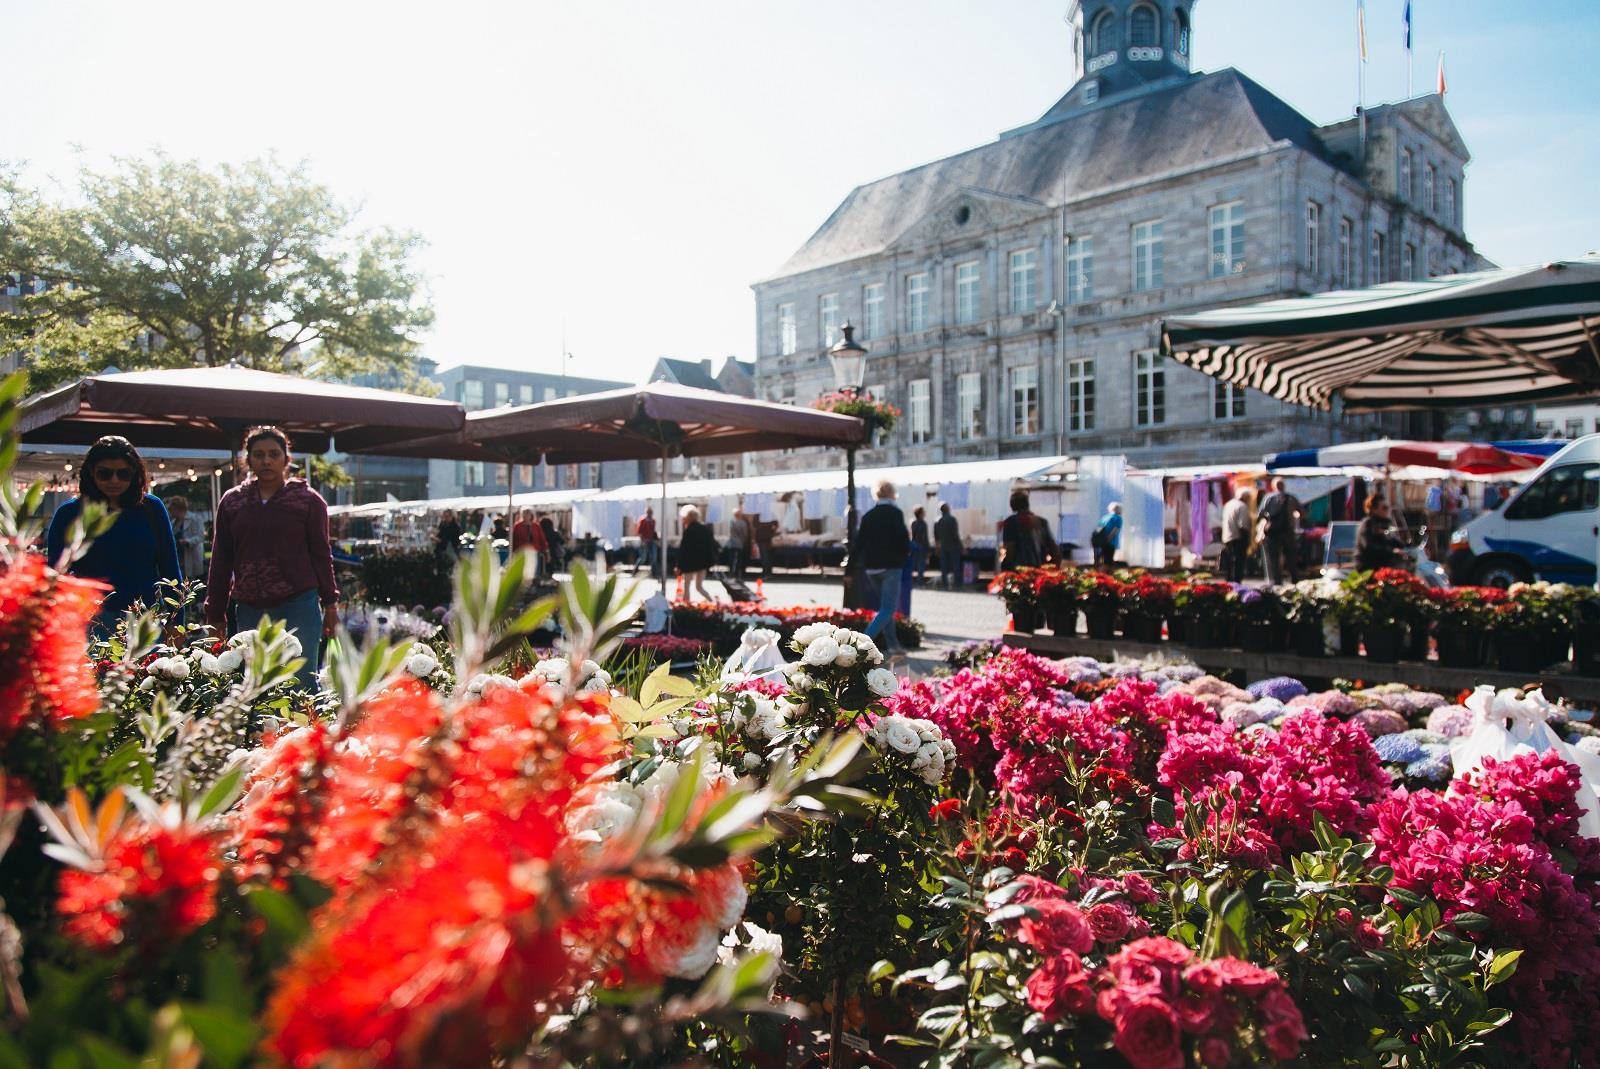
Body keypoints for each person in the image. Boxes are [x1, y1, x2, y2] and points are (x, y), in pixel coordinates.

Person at [205, 426, 338, 691]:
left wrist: (331, 605)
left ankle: (304, 733)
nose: (266, 460)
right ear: (248, 459)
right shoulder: (232, 502)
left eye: (274, 454)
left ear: (286, 459)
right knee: (257, 685)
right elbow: (221, 559)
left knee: (300, 682)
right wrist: (215, 613)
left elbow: (322, 555)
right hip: (250, 607)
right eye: (259, 454)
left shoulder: (308, 501)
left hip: (299, 603)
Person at [46, 435, 181, 637]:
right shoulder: (69, 514)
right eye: (105, 473)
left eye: (123, 474)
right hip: (91, 623)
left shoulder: (152, 509)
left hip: (145, 621)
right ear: (91, 472)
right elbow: (56, 577)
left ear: (135, 473)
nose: (114, 481)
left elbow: (170, 569)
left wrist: (176, 623)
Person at [854, 481, 910, 657]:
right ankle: (861, 644)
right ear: (892, 494)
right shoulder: (895, 513)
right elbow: (903, 539)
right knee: (888, 608)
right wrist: (905, 553)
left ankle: (893, 646)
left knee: (886, 608)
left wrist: (851, 568)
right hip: (891, 566)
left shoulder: (869, 515)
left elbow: (859, 543)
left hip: (872, 568)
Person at [1001, 491, 1060, 572]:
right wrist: (1056, 569)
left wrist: (1004, 567)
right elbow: (1054, 549)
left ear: (1012, 505)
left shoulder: (1011, 522)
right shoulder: (1042, 522)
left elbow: (1011, 550)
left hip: (1018, 573)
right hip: (1039, 572)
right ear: (1027, 504)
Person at [1257, 477, 1301, 584]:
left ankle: (1277, 581)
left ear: (1273, 486)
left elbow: (1260, 513)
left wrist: (1269, 519)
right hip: (1288, 531)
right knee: (1291, 556)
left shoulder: (1268, 498)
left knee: (1274, 557)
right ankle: (1294, 580)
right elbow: (1302, 512)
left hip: (1273, 533)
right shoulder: (1291, 498)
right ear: (1284, 486)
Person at [676, 504, 718, 602]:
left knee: (686, 586)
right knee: (699, 587)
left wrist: (679, 565)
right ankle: (712, 602)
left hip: (690, 563)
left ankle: (686, 605)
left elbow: (684, 550)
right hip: (702, 563)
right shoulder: (705, 529)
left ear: (688, 518)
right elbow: (711, 545)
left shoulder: (688, 531)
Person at [1356, 495, 1407, 571]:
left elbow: (1392, 541)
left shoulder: (1385, 524)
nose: (1387, 510)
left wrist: (1405, 546)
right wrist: (1391, 551)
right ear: (1374, 509)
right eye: (1384, 508)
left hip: (1385, 566)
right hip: (1369, 569)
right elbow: (1368, 546)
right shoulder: (1368, 524)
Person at [167, 496, 205, 581]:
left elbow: (200, 536)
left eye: (171, 509)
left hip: (191, 556)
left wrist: (187, 541)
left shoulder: (195, 518)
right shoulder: (172, 523)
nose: (169, 512)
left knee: (192, 582)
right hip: (178, 559)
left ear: (177, 508)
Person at [1221, 492, 1252, 583]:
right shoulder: (1243, 506)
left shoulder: (1228, 504)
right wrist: (1247, 539)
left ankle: (1229, 581)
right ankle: (1236, 582)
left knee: (1230, 561)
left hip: (1227, 536)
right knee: (1238, 561)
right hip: (1238, 537)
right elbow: (1242, 525)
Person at [933, 502, 963, 589]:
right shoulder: (952, 519)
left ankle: (945, 584)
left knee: (944, 566)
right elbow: (955, 534)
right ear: (948, 509)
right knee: (955, 565)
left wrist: (937, 547)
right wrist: (961, 546)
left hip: (943, 546)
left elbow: (936, 536)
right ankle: (957, 584)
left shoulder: (937, 521)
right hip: (953, 545)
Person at [511, 508, 548, 572]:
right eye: (525, 514)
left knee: (535, 570)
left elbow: (542, 539)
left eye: (528, 514)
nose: (526, 516)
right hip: (521, 552)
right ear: (522, 515)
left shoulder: (536, 526)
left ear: (531, 515)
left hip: (535, 551)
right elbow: (513, 539)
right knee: (523, 571)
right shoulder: (517, 526)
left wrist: (546, 551)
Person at [1090, 502, 1121, 570]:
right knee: (1108, 562)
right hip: (1110, 542)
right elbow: (1115, 530)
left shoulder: (1105, 517)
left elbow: (1098, 529)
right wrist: (1108, 540)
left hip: (1101, 542)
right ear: (1118, 509)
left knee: (1101, 561)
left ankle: (1098, 574)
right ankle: (1105, 576)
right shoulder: (1118, 518)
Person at [727, 509, 751, 580]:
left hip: (731, 542)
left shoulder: (731, 522)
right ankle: (737, 573)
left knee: (731, 558)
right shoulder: (743, 523)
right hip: (739, 542)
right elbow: (745, 534)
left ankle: (731, 572)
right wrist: (743, 540)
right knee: (738, 559)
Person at [636, 506, 660, 575]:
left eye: (651, 512)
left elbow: (652, 531)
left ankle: (654, 573)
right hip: (645, 541)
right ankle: (635, 570)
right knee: (643, 558)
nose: (650, 514)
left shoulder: (653, 521)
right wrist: (643, 541)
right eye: (649, 512)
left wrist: (656, 537)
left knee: (653, 558)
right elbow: (639, 532)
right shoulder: (643, 520)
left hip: (651, 541)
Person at [910, 506, 930, 585]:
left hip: (914, 545)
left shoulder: (913, 523)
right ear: (921, 513)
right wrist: (928, 549)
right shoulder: (924, 524)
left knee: (913, 564)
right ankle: (919, 581)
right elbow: (925, 537)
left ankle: (911, 581)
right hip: (922, 546)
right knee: (921, 565)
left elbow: (913, 536)